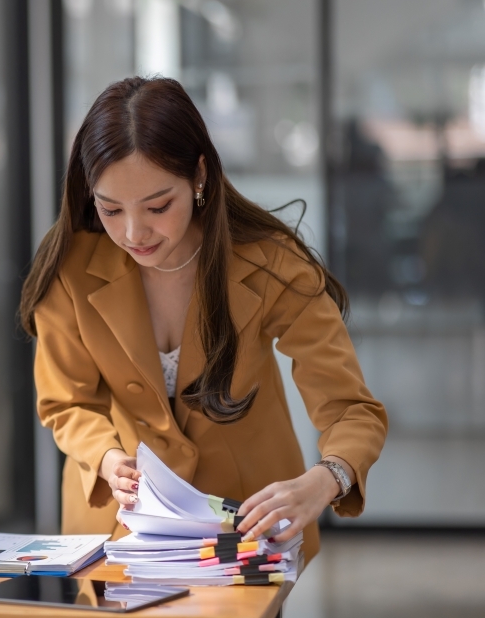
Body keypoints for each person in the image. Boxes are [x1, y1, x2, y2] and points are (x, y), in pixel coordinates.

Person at [19, 77, 387, 561]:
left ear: (198, 176)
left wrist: (324, 480)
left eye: (157, 206)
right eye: (109, 209)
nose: (133, 232)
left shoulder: (269, 262)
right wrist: (107, 457)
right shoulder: (70, 267)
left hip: (247, 520)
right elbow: (66, 402)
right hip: (115, 527)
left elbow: (350, 408)